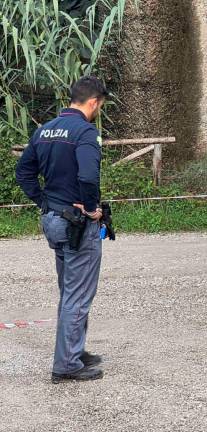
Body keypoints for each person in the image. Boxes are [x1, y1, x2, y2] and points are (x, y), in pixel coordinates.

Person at [15, 76, 108, 383]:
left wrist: (42, 200)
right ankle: (66, 364)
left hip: (54, 219)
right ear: (93, 102)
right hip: (78, 223)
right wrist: (93, 207)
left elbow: (23, 172)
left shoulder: (44, 130)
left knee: (69, 289)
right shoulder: (85, 132)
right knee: (78, 294)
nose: (99, 111)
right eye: (100, 106)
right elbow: (89, 176)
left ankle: (73, 350)